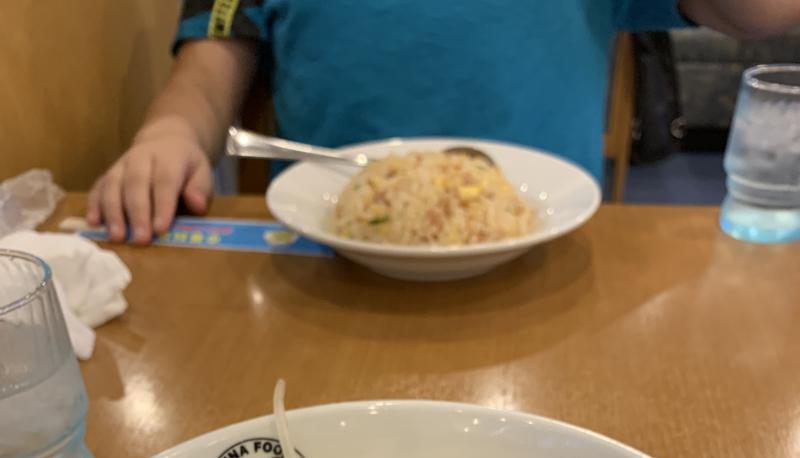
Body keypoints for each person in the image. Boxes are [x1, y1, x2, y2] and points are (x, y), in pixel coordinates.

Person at [88, 1, 800, 244]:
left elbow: (762, 15)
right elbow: (212, 57)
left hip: (541, 257)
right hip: (326, 257)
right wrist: (169, 134)